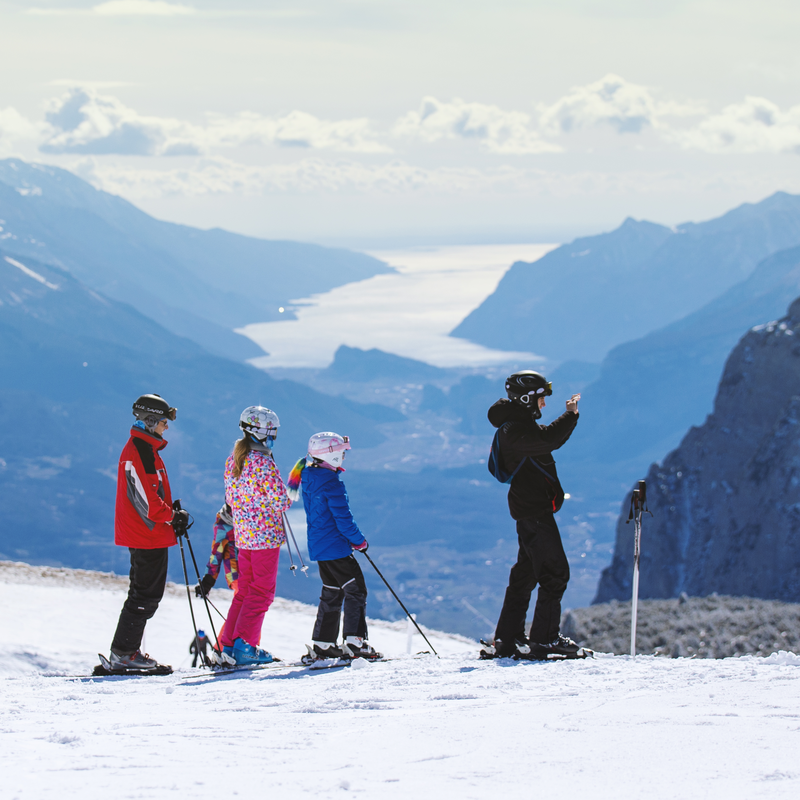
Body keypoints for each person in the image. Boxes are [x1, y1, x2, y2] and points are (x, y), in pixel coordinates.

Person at [483, 371, 583, 660]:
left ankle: (507, 639)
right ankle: (545, 640)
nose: (543, 405)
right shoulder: (515, 430)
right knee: (555, 573)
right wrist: (571, 415)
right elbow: (549, 440)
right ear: (527, 399)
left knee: (525, 575)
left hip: (529, 509)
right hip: (534, 511)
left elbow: (543, 438)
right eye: (541, 399)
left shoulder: (517, 425)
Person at [109, 393, 186, 671]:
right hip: (147, 534)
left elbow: (150, 493)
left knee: (144, 593)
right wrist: (172, 515)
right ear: (151, 420)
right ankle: (125, 654)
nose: (166, 427)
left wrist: (171, 511)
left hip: (146, 533)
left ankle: (127, 652)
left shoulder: (145, 448)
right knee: (145, 595)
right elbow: (150, 505)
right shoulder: (141, 450)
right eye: (164, 422)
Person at [287, 432, 380, 661]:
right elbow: (343, 519)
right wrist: (359, 541)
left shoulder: (308, 476)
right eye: (342, 453)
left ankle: (324, 644)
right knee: (356, 590)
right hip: (336, 548)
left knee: (332, 591)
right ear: (332, 455)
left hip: (319, 549)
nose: (344, 457)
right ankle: (354, 643)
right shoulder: (331, 483)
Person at [220, 406, 290, 665]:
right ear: (260, 433)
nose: (273, 439)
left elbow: (230, 498)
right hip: (266, 537)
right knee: (261, 592)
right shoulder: (263, 462)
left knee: (245, 591)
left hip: (245, 535)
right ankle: (245, 647)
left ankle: (227, 645)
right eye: (271, 433)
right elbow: (281, 501)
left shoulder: (234, 460)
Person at [194, 503, 238, 653]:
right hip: (235, 573)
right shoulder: (224, 525)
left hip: (249, 568)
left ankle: (242, 647)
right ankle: (223, 648)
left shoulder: (247, 519)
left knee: (250, 606)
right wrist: (208, 580)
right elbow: (216, 553)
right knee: (243, 605)